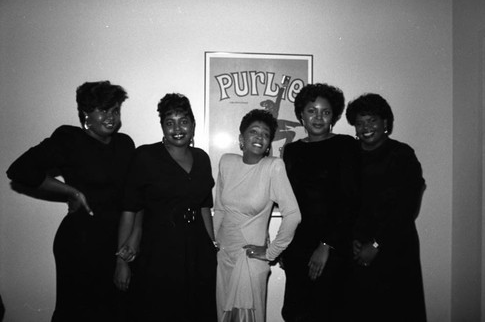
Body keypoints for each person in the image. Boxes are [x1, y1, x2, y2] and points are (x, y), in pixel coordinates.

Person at [6, 81, 135, 321]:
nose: (111, 116)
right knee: (79, 312)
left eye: (115, 110)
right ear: (86, 112)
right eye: (103, 110)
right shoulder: (70, 139)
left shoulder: (125, 144)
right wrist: (71, 192)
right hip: (81, 242)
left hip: (116, 240)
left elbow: (133, 198)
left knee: (117, 311)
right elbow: (19, 170)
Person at [114, 93, 218, 322]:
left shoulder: (202, 158)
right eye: (169, 122)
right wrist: (121, 261)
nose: (177, 128)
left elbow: (204, 207)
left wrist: (212, 246)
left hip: (197, 252)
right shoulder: (145, 156)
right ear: (162, 127)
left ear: (193, 124)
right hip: (159, 253)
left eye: (183, 121)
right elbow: (129, 210)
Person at [280, 83, 360, 322]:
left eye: (325, 112)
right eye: (312, 111)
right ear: (301, 115)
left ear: (333, 116)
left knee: (326, 311)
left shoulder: (346, 145)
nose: (318, 117)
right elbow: (289, 202)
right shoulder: (291, 150)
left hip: (332, 245)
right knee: (296, 312)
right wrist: (285, 245)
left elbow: (350, 200)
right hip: (298, 244)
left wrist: (326, 245)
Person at [345, 93, 426, 322]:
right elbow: (344, 202)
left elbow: (407, 207)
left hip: (395, 248)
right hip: (357, 251)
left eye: (372, 120)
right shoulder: (349, 156)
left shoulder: (402, 154)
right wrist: (351, 239)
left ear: (385, 123)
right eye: (360, 123)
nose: (365, 127)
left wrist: (377, 244)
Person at [214, 109, 301, 322]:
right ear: (241, 138)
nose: (259, 137)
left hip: (250, 258)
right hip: (224, 256)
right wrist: (213, 243)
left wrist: (272, 252)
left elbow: (293, 214)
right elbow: (220, 208)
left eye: (265, 134)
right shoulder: (226, 162)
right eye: (254, 131)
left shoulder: (273, 167)